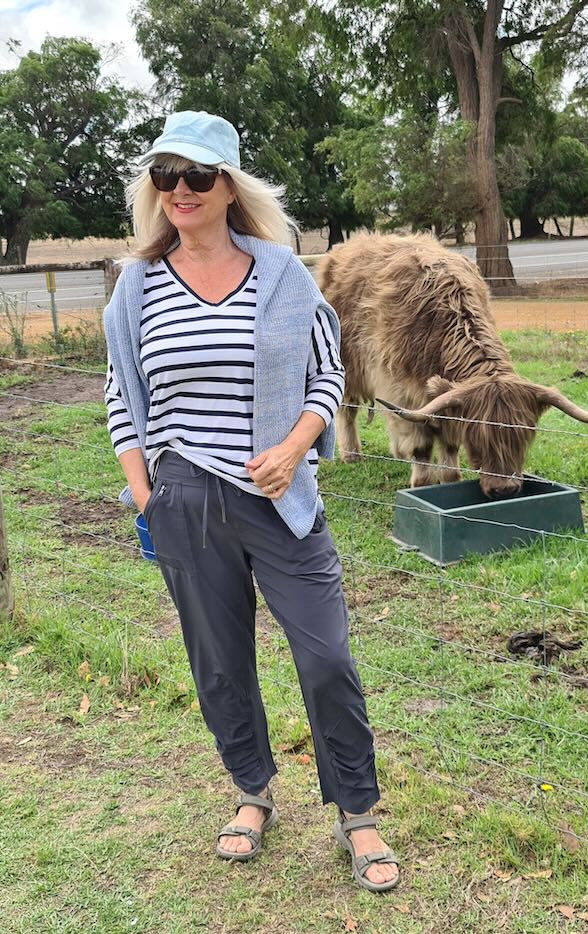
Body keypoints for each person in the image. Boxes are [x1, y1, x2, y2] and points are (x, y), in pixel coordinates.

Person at [102, 111, 399, 892]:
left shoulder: (282, 273)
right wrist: (148, 497)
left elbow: (327, 376)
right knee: (220, 664)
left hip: (279, 498)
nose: (182, 189)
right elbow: (121, 399)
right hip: (184, 497)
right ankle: (251, 791)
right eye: (168, 174)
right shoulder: (134, 285)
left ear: (229, 185)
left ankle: (357, 812)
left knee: (327, 656)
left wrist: (297, 445)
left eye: (199, 175)